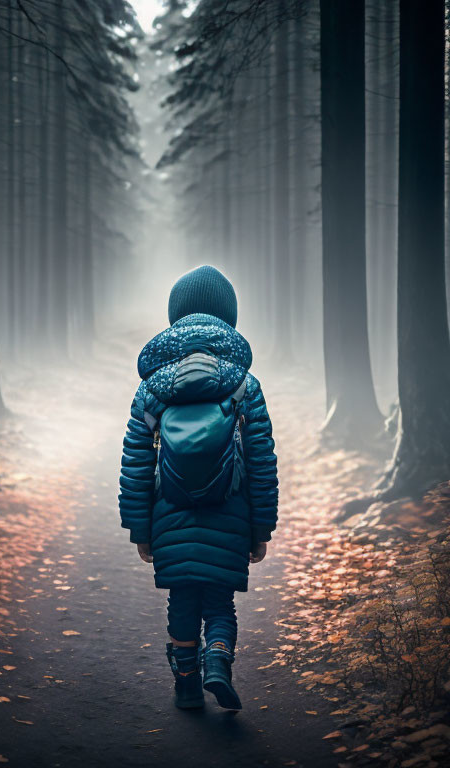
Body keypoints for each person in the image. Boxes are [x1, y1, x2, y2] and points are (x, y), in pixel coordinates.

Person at [118, 265, 278, 711]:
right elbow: (262, 461)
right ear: (230, 318)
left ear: (174, 318)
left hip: (170, 515)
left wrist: (140, 530)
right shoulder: (246, 386)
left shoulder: (152, 389)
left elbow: (136, 463)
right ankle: (217, 664)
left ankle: (186, 680)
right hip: (231, 513)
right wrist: (261, 528)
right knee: (220, 601)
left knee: (183, 597)